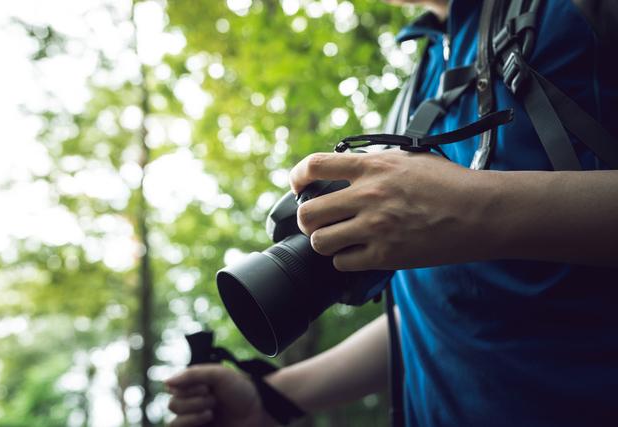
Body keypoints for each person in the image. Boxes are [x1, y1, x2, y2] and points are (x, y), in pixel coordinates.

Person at [165, 0, 618, 425]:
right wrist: (273, 398)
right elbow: (439, 312)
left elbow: (478, 223)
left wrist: (478, 208)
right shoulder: (418, 91)